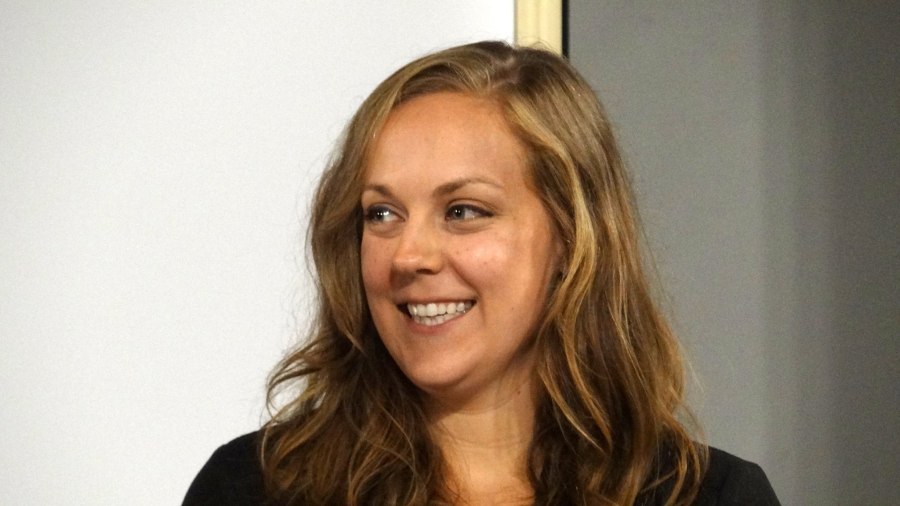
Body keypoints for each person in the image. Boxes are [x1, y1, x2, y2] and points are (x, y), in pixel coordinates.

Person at [183, 41, 780, 505]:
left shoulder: (709, 497)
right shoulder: (254, 488)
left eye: (463, 211)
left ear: (572, 238)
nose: (408, 255)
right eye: (382, 213)